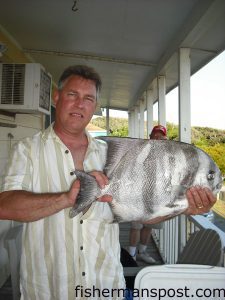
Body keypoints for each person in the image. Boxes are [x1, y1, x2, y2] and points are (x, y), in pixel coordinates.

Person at [0, 65, 216, 300]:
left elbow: (146, 214)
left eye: (88, 98)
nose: (80, 104)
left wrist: (184, 207)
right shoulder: (27, 149)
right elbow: (5, 206)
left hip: (104, 285)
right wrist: (65, 198)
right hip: (49, 288)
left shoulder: (114, 154)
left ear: (95, 106)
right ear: (57, 96)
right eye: (72, 94)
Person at [128, 125, 168, 264]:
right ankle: (131, 255)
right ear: (150, 136)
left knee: (149, 225)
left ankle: (142, 252)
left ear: (165, 138)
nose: (157, 138)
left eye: (161, 136)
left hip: (157, 197)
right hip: (140, 195)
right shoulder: (142, 150)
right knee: (136, 226)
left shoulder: (167, 154)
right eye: (155, 135)